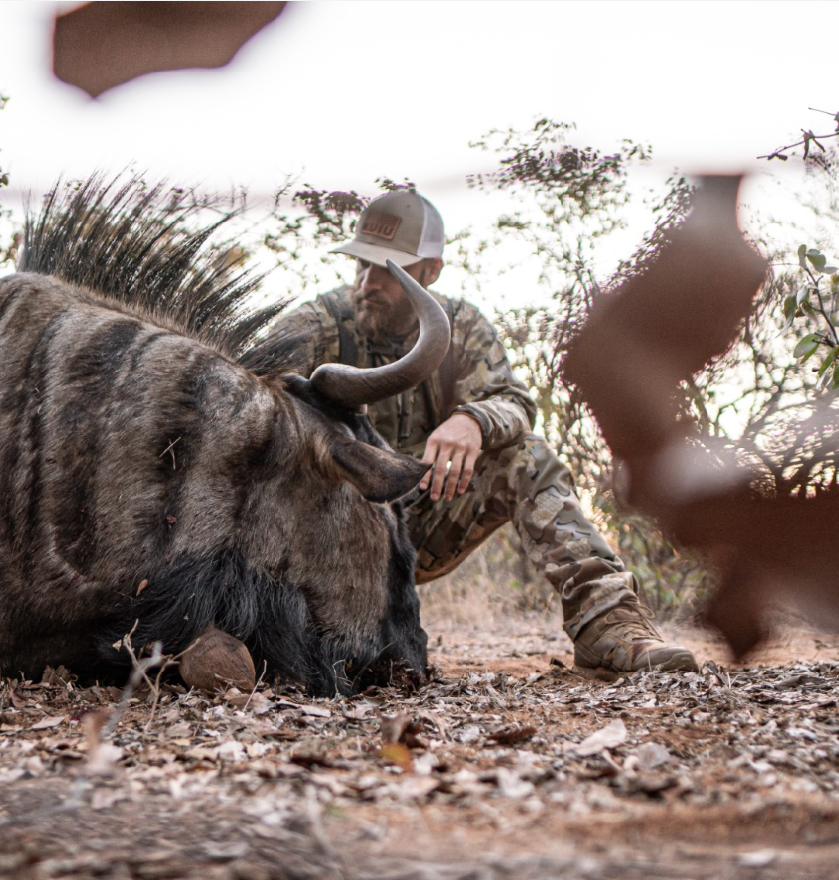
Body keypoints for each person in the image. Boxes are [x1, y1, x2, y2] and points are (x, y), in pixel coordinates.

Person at [270, 190, 699, 674]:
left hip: (422, 517)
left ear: (430, 271)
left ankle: (610, 626)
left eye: (388, 269)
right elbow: (246, 398)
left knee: (527, 457)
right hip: (326, 529)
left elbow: (514, 401)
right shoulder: (316, 323)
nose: (368, 282)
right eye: (362, 265)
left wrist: (472, 419)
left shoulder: (463, 324)